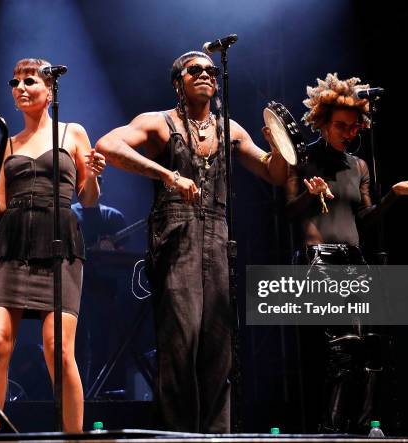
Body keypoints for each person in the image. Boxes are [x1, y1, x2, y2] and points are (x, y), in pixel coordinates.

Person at [95, 51, 288, 433]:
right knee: (182, 341)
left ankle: (218, 436)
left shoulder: (230, 128)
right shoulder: (159, 122)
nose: (205, 75)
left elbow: (276, 174)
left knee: (219, 346)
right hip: (175, 233)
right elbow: (107, 145)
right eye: (194, 70)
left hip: (217, 236)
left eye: (210, 71)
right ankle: (176, 436)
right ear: (177, 81)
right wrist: (167, 175)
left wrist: (281, 145)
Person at [0, 58, 106, 432]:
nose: (20, 88)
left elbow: (89, 199)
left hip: (59, 241)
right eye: (14, 82)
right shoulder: (7, 144)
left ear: (50, 90)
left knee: (58, 350)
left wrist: (91, 176)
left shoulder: (72, 133)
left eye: (29, 81)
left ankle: (73, 439)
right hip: (11, 244)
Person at [285, 72, 408, 433]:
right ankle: (332, 428)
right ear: (322, 122)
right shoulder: (301, 159)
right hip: (319, 259)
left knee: (372, 348)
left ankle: (365, 427)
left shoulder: (359, 166)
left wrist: (394, 195)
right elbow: (287, 213)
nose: (350, 132)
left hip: (355, 259)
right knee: (343, 347)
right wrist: (311, 194)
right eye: (342, 126)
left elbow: (366, 219)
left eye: (355, 126)